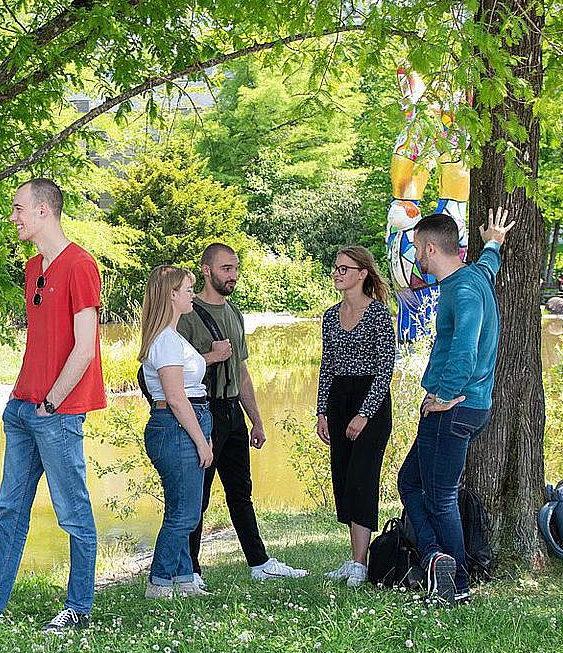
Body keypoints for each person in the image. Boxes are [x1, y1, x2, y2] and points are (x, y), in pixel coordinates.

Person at [0, 177, 104, 634]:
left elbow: (85, 348)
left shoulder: (81, 265)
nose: (13, 217)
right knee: (10, 509)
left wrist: (51, 401)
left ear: (44, 211)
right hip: (23, 408)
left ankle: (78, 608)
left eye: (19, 209)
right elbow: (43, 341)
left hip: (58, 412)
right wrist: (24, 398)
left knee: (73, 512)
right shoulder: (34, 268)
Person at [398, 207, 514, 605]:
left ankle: (457, 582)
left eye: (416, 249)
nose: (415, 257)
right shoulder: (475, 276)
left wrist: (444, 395)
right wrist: (494, 242)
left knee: (441, 496)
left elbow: (465, 347)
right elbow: (489, 265)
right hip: (470, 407)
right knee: (410, 482)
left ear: (431, 248)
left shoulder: (462, 290)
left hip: (455, 408)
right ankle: (436, 558)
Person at [177, 243, 306, 584]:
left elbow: (242, 371)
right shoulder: (187, 314)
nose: (232, 275)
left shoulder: (234, 313)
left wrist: (257, 420)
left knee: (240, 492)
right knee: (197, 496)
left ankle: (259, 563)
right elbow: (173, 372)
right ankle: (189, 570)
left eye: (235, 268)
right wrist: (211, 357)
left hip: (233, 413)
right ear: (206, 270)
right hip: (203, 411)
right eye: (225, 269)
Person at [314, 244, 396, 588]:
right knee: (345, 480)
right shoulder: (331, 316)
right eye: (336, 268)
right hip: (338, 401)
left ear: (362, 274)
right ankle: (353, 560)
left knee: (362, 479)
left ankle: (360, 566)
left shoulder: (378, 314)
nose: (337, 273)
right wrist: (321, 410)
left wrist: (364, 413)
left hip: (371, 403)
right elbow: (327, 364)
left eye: (344, 269)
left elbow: (385, 367)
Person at [140, 265, 213, 598]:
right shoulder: (166, 342)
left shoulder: (172, 337)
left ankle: (184, 578)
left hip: (187, 421)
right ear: (171, 295)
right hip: (176, 425)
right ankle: (159, 580)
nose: (192, 294)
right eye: (187, 289)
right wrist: (201, 440)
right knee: (184, 514)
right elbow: (176, 397)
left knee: (185, 508)